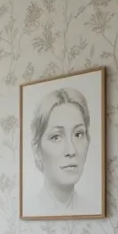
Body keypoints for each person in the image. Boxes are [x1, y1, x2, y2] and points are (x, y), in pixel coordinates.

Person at [27, 87, 91, 215]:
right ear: (37, 150)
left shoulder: (89, 207)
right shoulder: (31, 207)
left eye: (78, 134)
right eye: (56, 137)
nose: (71, 150)